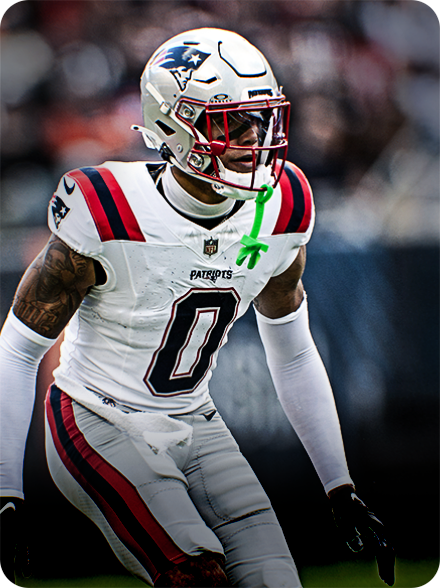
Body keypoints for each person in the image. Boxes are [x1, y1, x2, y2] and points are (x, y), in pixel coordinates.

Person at [0, 28, 395, 587]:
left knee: (276, 580)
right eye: (230, 123)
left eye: (259, 120)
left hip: (195, 420)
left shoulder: (283, 205)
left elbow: (293, 349)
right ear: (173, 128)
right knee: (197, 575)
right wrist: (6, 490)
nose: (253, 139)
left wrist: (339, 486)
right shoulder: (108, 207)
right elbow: (19, 348)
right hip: (96, 418)